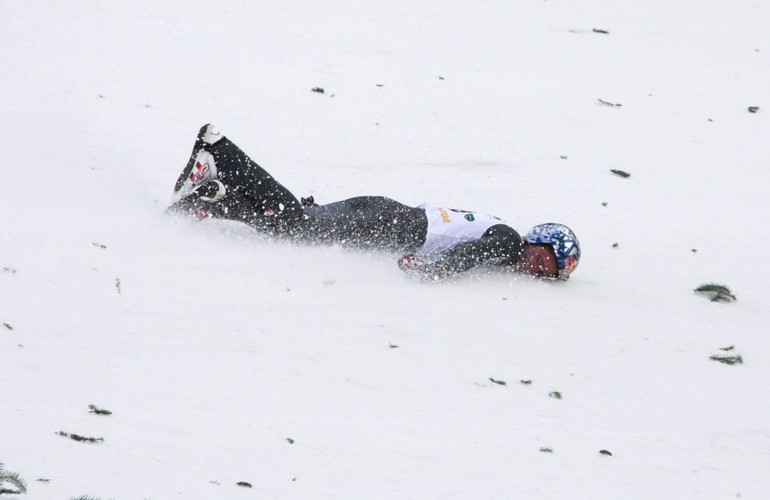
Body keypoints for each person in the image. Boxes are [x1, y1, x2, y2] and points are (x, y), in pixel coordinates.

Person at [167, 124, 581, 280]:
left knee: (292, 223)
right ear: (537, 241)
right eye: (547, 260)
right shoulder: (508, 241)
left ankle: (216, 198)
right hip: (394, 226)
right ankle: (221, 150)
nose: (542, 270)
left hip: (388, 214)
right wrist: (434, 271)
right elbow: (472, 252)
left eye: (552, 272)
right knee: (295, 226)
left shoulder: (502, 232)